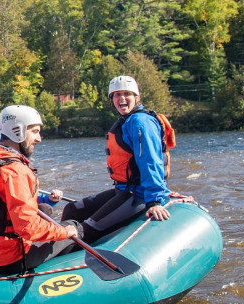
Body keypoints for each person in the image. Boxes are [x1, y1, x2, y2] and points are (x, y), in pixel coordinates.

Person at [0, 105, 81, 274]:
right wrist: (64, 231)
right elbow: (27, 227)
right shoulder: (15, 171)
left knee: (44, 210)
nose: (39, 138)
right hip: (8, 258)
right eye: (35, 131)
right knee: (75, 227)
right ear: (18, 131)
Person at [61, 76, 174, 242]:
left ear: (137, 97)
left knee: (85, 230)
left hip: (139, 195)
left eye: (127, 94)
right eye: (116, 95)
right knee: (73, 210)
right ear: (111, 99)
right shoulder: (126, 121)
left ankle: (69, 261)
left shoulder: (141, 122)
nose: (121, 98)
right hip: (123, 190)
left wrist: (154, 201)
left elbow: (150, 162)